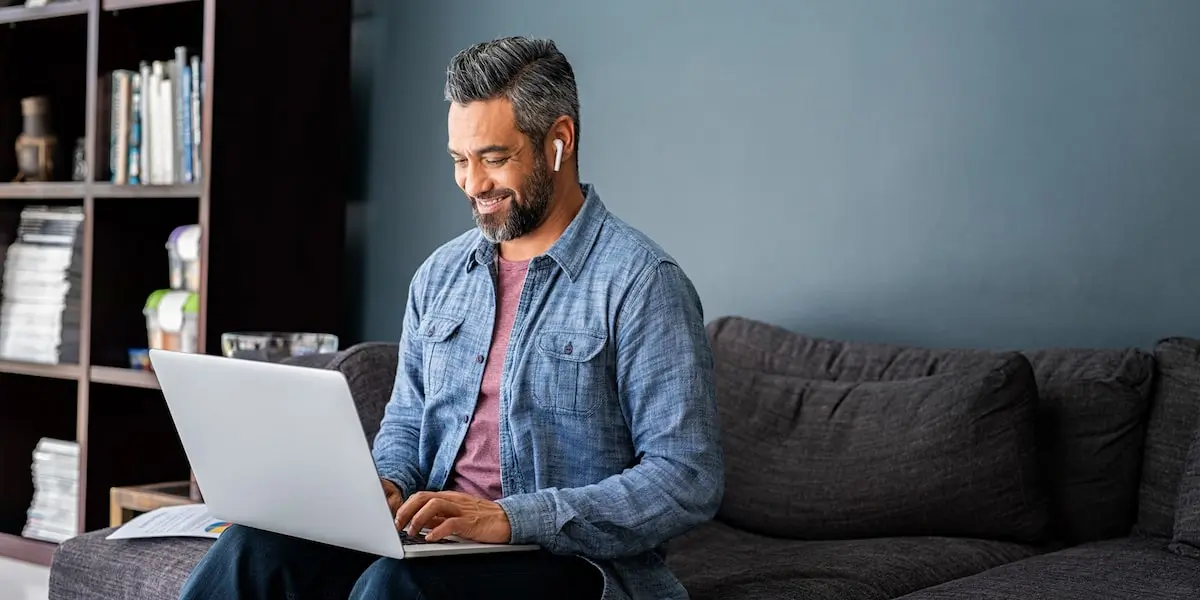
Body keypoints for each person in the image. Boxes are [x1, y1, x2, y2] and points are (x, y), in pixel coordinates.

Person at [178, 35, 723, 600]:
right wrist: (387, 485)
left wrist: (510, 518)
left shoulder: (641, 282)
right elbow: (406, 423)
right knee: (254, 548)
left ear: (559, 140)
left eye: (494, 158)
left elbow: (686, 477)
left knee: (399, 584)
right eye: (460, 160)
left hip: (571, 561)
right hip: (438, 542)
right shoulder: (440, 276)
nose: (473, 183)